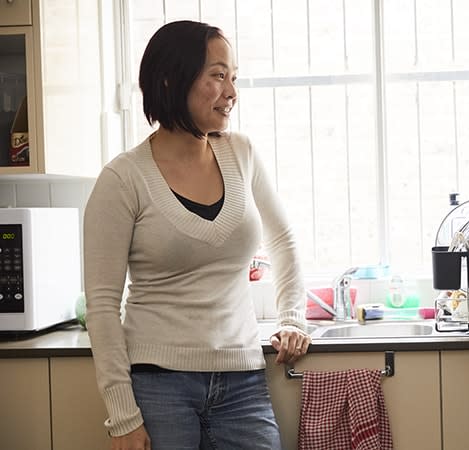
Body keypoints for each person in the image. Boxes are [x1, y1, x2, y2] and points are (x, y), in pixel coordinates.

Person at [84, 20, 310, 450]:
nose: (232, 92)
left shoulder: (241, 153)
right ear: (172, 78)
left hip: (242, 380)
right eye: (218, 75)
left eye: (234, 78)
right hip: (157, 386)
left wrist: (292, 318)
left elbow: (284, 241)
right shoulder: (122, 179)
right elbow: (101, 306)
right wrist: (122, 417)